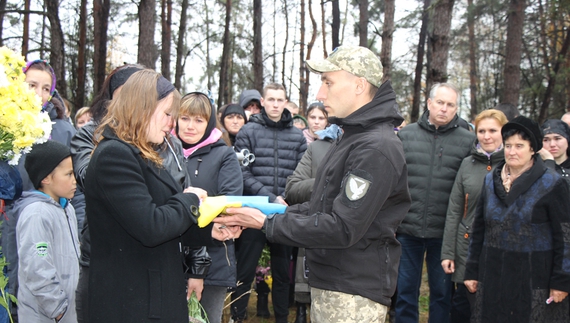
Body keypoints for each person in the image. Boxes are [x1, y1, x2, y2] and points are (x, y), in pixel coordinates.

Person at [216, 45, 411, 323]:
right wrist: (269, 214)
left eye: (328, 82)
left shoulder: (375, 146)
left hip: (351, 293)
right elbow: (322, 205)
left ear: (359, 85)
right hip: (335, 283)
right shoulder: (354, 137)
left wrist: (266, 224)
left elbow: (342, 227)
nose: (320, 94)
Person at [83, 70, 235, 322]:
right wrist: (190, 199)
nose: (171, 124)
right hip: (130, 302)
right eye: (167, 114)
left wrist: (207, 231)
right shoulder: (115, 156)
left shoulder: (143, 152)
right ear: (141, 108)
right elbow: (151, 226)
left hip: (152, 294)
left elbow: (159, 219)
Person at [464, 116, 570, 322]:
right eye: (508, 145)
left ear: (533, 149)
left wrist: (562, 281)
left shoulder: (552, 183)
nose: (512, 151)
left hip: (534, 278)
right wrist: (472, 270)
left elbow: (566, 237)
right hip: (493, 274)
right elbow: (478, 229)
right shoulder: (490, 180)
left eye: (519, 146)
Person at [396, 83, 475, 323]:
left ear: (456, 109)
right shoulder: (406, 135)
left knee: (442, 294)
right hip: (407, 228)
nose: (444, 108)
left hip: (445, 233)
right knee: (405, 291)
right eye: (439, 102)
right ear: (429, 103)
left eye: (450, 104)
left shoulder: (467, 141)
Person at [231, 83, 307, 323]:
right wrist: (270, 197)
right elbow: (242, 174)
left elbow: (303, 173)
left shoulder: (297, 136)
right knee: (245, 270)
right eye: (271, 99)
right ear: (262, 102)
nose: (275, 104)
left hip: (284, 212)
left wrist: (286, 196)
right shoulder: (248, 132)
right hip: (254, 209)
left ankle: (282, 318)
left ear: (286, 102)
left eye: (280, 100)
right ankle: (237, 316)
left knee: (283, 273)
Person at [174, 92, 243, 323]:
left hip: (212, 257)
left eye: (198, 120)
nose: (190, 126)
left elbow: (228, 204)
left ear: (209, 122)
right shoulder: (164, 151)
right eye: (184, 118)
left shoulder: (223, 155)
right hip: (168, 255)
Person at [440, 109, 508, 322]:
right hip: (467, 250)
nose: (487, 136)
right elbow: (454, 210)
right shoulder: (467, 164)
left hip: (503, 252)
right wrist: (448, 253)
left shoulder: (514, 163)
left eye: (493, 131)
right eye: (481, 131)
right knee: (464, 310)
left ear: (503, 132)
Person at [14, 140, 79, 323]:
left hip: (68, 312)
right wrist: (57, 308)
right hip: (46, 315)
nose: (74, 180)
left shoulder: (67, 208)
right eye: (68, 174)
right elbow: (36, 267)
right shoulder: (36, 214)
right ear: (46, 178)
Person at [284, 122, 339, 323]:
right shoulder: (316, 147)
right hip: (316, 225)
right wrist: (326, 181)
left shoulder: (368, 145)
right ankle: (301, 310)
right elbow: (292, 189)